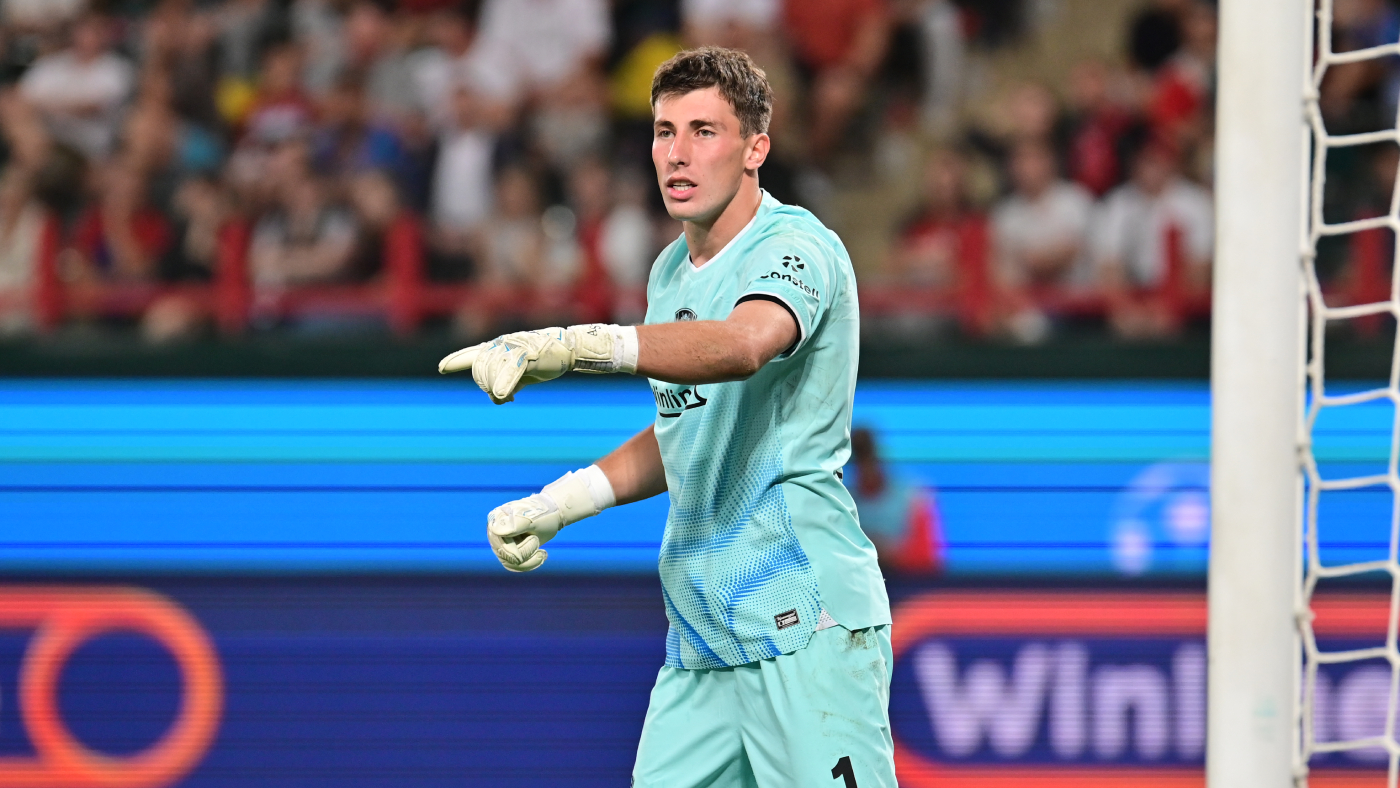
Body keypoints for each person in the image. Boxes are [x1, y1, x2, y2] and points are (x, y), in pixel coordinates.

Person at [438, 46, 895, 788]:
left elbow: (743, 345)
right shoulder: (669, 273)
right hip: (703, 640)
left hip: (802, 624)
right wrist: (561, 502)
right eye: (663, 131)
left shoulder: (798, 246)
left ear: (756, 149)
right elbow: (690, 431)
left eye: (703, 131)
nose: (676, 153)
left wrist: (579, 346)